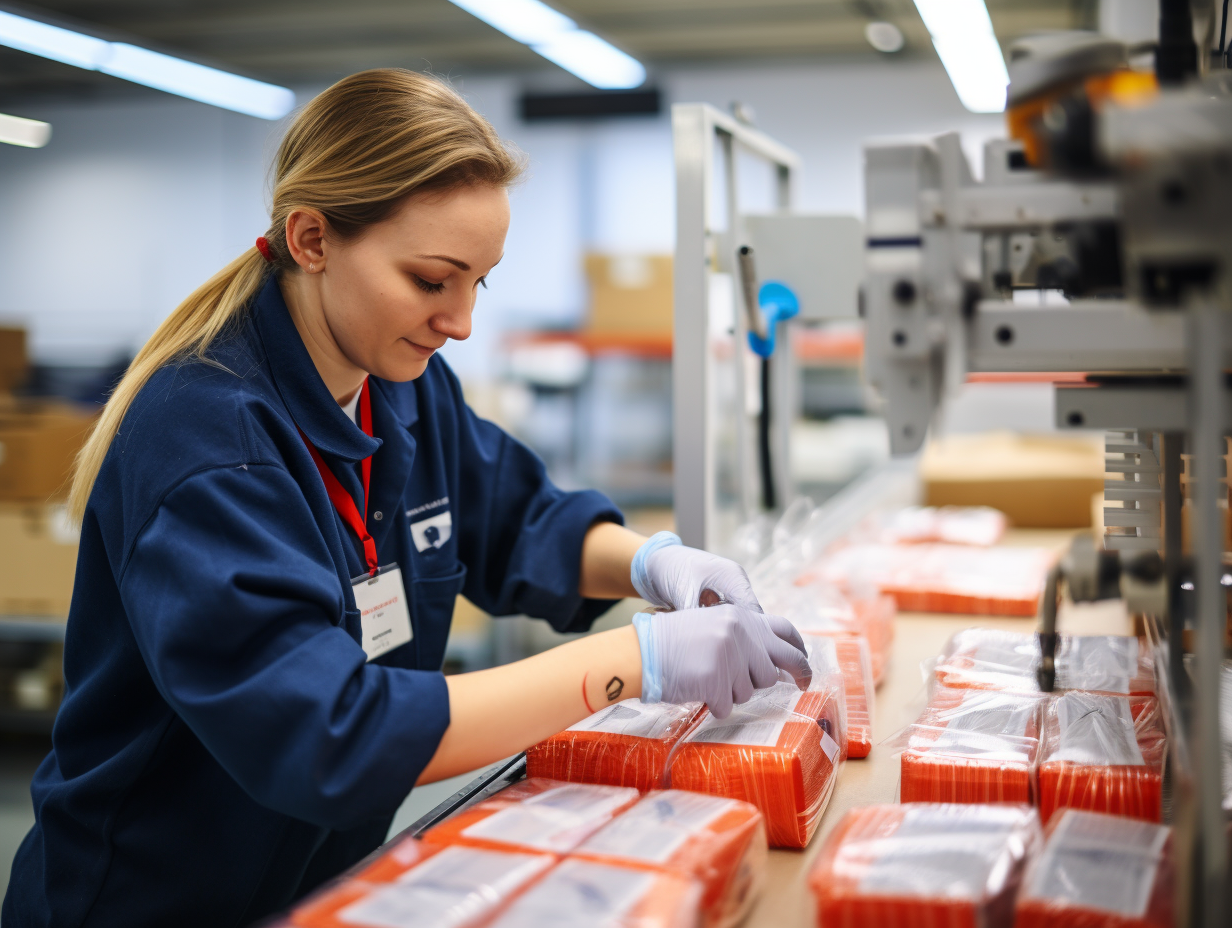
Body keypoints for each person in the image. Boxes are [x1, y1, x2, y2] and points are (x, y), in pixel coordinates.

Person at [2, 70, 809, 927]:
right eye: (432, 280)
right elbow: (326, 733)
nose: (459, 320)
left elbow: (516, 519)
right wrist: (634, 664)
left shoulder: (403, 384)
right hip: (152, 900)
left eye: (479, 283)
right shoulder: (208, 441)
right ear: (312, 239)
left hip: (321, 882)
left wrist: (655, 563)